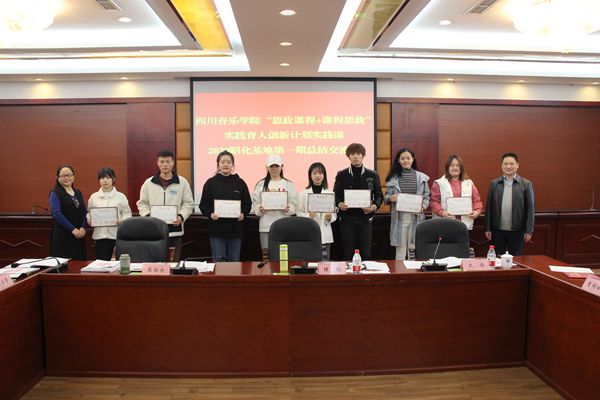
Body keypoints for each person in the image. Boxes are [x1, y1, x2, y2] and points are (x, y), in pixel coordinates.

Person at [137, 150, 195, 261]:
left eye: (168, 162)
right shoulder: (148, 183)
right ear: (157, 163)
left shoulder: (182, 182)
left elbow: (188, 203)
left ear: (173, 163)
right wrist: (149, 217)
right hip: (154, 230)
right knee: (155, 262)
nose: (165, 165)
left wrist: (181, 216)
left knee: (173, 262)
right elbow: (142, 203)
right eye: (162, 162)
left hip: (175, 230)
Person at [199, 150, 252, 262]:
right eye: (223, 162)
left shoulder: (240, 183)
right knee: (219, 263)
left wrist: (243, 213)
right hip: (217, 230)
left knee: (234, 262)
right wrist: (210, 214)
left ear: (233, 165)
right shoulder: (210, 183)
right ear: (218, 164)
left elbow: (247, 204)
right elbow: (203, 205)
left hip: (235, 230)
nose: (226, 164)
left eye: (228, 162)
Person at [333, 143, 383, 260]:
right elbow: (335, 195)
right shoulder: (341, 175)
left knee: (366, 253)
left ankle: (366, 272)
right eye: (352, 154)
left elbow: (379, 196)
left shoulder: (372, 175)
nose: (355, 156)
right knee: (348, 252)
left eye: (358, 154)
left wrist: (374, 207)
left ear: (363, 155)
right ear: (348, 156)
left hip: (365, 219)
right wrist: (339, 204)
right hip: (346, 219)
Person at [485, 152, 534, 256]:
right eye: (505, 164)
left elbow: (530, 209)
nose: (508, 166)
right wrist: (487, 228)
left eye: (511, 164)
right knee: (498, 259)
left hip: (518, 230)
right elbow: (489, 207)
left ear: (517, 165)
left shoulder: (526, 184)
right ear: (501, 165)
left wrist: (529, 230)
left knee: (516, 259)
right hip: (497, 230)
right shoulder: (494, 184)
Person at [384, 147, 430, 260]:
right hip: (400, 218)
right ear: (398, 160)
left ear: (413, 159)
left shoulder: (422, 177)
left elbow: (427, 196)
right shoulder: (393, 178)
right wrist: (390, 198)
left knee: (413, 250)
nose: (406, 161)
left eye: (408, 158)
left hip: (416, 218)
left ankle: (412, 271)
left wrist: (423, 207)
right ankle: (399, 271)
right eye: (403, 158)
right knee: (400, 250)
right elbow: (386, 197)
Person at [252, 154, 297, 259]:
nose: (274, 169)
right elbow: (255, 205)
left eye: (277, 166)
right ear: (267, 167)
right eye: (271, 166)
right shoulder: (261, 184)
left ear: (282, 167)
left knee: (283, 257)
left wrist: (288, 209)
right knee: (266, 257)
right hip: (265, 226)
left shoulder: (288, 184)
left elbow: (294, 204)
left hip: (283, 226)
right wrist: (260, 209)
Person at [86, 167, 132, 260]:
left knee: (119, 263)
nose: (105, 180)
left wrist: (122, 220)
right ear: (99, 180)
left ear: (113, 179)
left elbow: (127, 214)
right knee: (102, 263)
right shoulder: (94, 197)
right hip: (100, 236)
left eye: (108, 178)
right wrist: (89, 219)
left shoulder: (121, 196)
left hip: (117, 235)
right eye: (102, 178)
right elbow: (89, 212)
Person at [429, 154, 483, 230]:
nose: (455, 168)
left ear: (461, 168)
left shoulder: (469, 183)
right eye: (452, 165)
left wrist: (477, 211)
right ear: (447, 168)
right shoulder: (439, 183)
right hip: (444, 224)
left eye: (457, 165)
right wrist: (442, 213)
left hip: (464, 225)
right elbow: (434, 202)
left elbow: (476, 201)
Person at [297, 162, 337, 260]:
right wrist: (309, 216)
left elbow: (334, 214)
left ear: (324, 175)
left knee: (325, 262)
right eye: (314, 173)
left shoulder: (330, 193)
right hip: (308, 233)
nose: (317, 176)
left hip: (325, 233)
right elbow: (298, 212)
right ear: (310, 176)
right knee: (309, 262)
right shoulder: (303, 194)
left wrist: (330, 217)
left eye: (320, 173)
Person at [49, 164, 87, 260]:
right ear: (58, 178)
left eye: (69, 175)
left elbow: (84, 211)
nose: (66, 178)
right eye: (63, 175)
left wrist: (83, 228)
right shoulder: (55, 193)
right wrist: (73, 229)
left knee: (79, 262)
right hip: (64, 234)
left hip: (79, 235)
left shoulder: (78, 192)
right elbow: (57, 214)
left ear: (73, 176)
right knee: (65, 264)